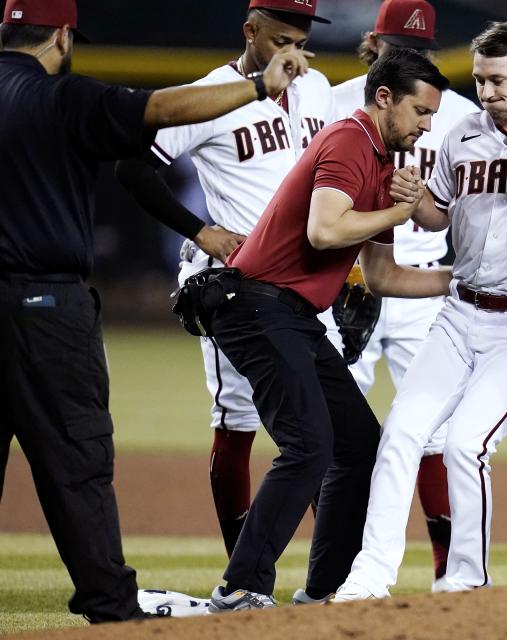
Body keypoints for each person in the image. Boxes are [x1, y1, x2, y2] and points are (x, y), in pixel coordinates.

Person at [0, 0, 311, 623]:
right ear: (62, 36)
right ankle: (110, 604)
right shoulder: (61, 97)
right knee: (76, 460)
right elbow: (158, 112)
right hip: (44, 306)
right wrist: (253, 87)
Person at [204, 47, 452, 612]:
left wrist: (460, 280)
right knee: (309, 444)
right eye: (420, 112)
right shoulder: (350, 138)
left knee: (359, 445)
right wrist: (398, 213)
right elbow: (323, 230)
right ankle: (240, 585)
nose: (426, 126)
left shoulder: (385, 163)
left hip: (291, 316)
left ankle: (321, 590)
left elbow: (384, 277)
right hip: (257, 306)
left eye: (433, 115)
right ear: (383, 98)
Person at [332, 22, 507, 601]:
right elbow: (439, 217)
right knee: (402, 433)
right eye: (480, 79)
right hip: (460, 312)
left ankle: (465, 584)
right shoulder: (462, 133)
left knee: (466, 445)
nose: (486, 92)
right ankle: (370, 576)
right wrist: (418, 204)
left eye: (498, 80)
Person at [115, 0, 336, 558]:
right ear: (250, 31)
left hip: (310, 283)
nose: (294, 52)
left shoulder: (318, 90)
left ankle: (335, 571)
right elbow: (132, 166)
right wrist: (202, 229)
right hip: (242, 286)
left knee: (325, 428)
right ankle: (242, 572)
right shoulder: (214, 95)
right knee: (238, 422)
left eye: (301, 40)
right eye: (282, 39)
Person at [327, 0, 479, 588]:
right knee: (337, 429)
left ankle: (445, 570)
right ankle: (334, 566)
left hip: (421, 277)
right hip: (346, 281)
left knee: (436, 430)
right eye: (394, 47)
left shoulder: (457, 113)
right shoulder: (336, 102)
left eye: (415, 50)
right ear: (373, 43)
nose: (403, 58)